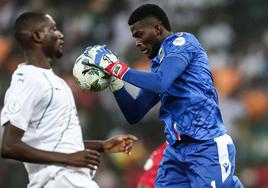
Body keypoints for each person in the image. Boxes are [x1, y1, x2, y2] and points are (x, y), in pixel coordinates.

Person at [92, 4, 244, 188]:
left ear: (157, 29)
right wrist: (116, 85)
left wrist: (117, 68)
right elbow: (134, 113)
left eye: (140, 34)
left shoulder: (184, 42)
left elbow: (161, 82)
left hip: (207, 146)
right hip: (177, 152)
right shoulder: (159, 66)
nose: (137, 42)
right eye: (134, 37)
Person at [0, 12, 137, 188]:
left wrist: (102, 146)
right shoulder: (27, 80)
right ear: (37, 36)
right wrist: (67, 158)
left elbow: (57, 140)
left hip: (71, 179)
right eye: (53, 29)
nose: (60, 35)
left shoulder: (52, 80)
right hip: (58, 179)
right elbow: (9, 146)